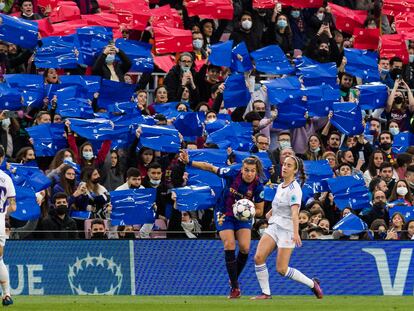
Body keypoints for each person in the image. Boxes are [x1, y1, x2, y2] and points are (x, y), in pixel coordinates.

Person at [179, 151, 264, 299]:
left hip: (243, 217)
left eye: (252, 171)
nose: (249, 174)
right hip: (224, 212)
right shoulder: (232, 172)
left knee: (245, 248)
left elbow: (260, 211)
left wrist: (248, 210)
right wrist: (189, 162)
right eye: (246, 170)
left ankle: (233, 279)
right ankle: (235, 287)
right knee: (229, 244)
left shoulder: (258, 186)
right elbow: (210, 167)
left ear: (256, 171)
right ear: (242, 169)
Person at [252, 155, 323, 300]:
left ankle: (312, 284)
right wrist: (270, 213)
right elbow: (278, 204)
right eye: (284, 164)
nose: (284, 167)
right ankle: (266, 293)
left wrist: (296, 233)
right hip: (274, 226)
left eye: (289, 165)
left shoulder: (295, 189)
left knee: (281, 269)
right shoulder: (280, 185)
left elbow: (295, 213)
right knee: (258, 257)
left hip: (287, 230)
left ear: (295, 170)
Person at [0, 145, 15, 306]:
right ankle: (6, 295)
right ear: (2, 158)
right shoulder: (6, 178)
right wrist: (3, 213)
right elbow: (14, 206)